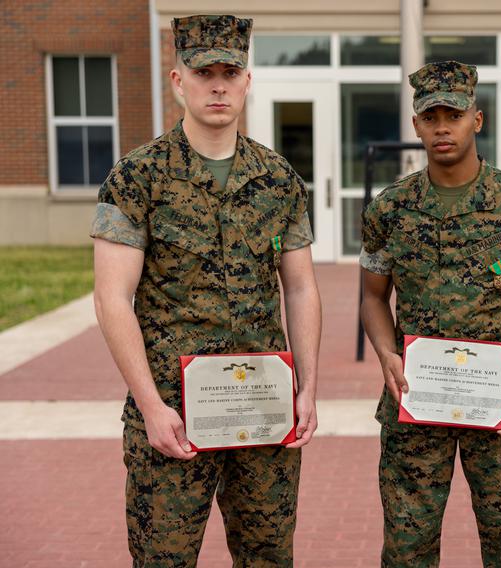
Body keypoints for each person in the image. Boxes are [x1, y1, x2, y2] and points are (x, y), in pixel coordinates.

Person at [91, 14, 321, 566]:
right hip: (174, 414)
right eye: (203, 72)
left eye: (230, 71)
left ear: (246, 81)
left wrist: (308, 388)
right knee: (164, 558)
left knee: (267, 556)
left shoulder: (278, 178)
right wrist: (150, 406)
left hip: (264, 410)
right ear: (178, 81)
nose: (218, 84)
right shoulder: (137, 177)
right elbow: (110, 298)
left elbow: (302, 289)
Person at [359, 60, 501, 567]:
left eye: (454, 113)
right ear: (416, 125)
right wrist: (385, 353)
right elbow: (373, 298)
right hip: (416, 401)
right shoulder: (391, 209)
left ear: (477, 118)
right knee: (408, 548)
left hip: (498, 404)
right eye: (431, 116)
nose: (442, 126)